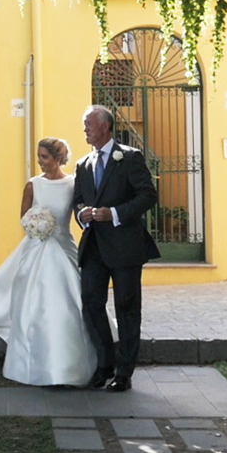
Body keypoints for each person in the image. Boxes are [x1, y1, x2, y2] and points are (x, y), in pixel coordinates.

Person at [0, 138, 99, 386]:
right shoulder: (33, 185)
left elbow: (78, 212)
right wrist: (37, 223)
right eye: (39, 157)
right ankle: (32, 354)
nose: (41, 162)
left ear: (57, 158)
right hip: (37, 246)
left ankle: (71, 359)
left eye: (44, 157)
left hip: (63, 245)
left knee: (71, 296)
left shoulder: (73, 184)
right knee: (34, 296)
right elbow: (25, 216)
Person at [72, 104, 160, 392]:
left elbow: (148, 195)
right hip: (94, 246)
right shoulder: (83, 164)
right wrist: (82, 214)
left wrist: (116, 213)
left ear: (105, 126)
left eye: (89, 124)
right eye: (84, 125)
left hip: (125, 247)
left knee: (127, 308)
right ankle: (104, 364)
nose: (85, 129)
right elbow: (79, 200)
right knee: (91, 303)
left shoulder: (130, 157)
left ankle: (125, 372)